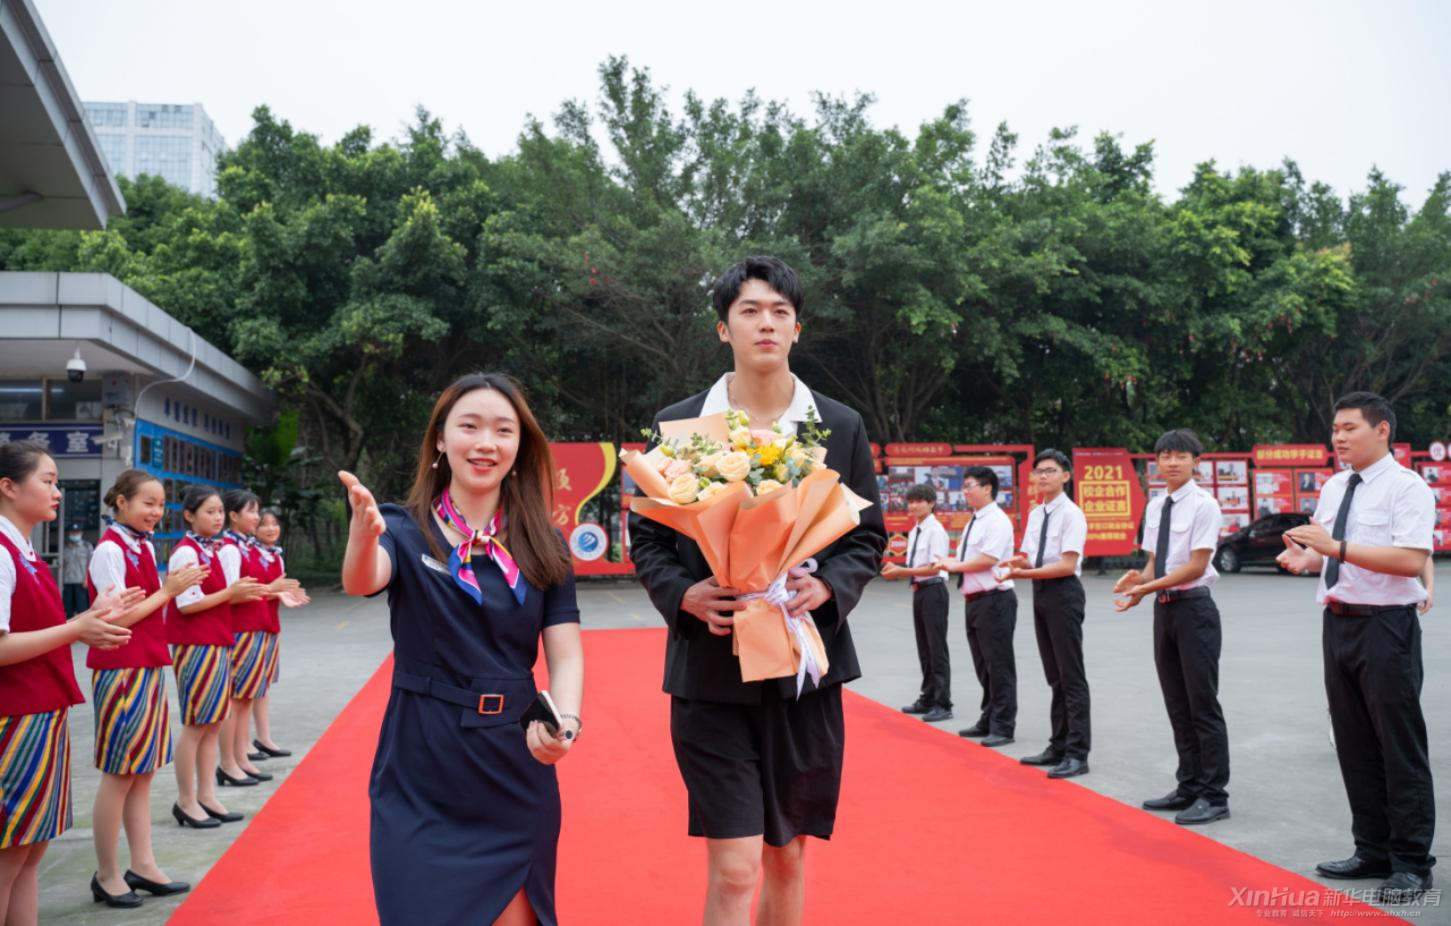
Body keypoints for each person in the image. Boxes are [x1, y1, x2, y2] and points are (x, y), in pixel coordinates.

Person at [629, 256, 886, 926]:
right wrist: (684, 594)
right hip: (710, 671)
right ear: (724, 328)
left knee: (788, 857)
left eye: (779, 311)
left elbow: (866, 538)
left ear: (797, 328)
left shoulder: (838, 426)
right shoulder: (682, 425)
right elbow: (648, 538)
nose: (765, 323)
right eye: (749, 311)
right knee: (736, 867)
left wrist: (826, 586)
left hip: (803, 672)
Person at [340, 372, 583, 926]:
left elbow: (566, 652)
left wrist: (566, 722)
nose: (485, 443)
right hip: (421, 762)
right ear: (441, 440)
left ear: (520, 447)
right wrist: (362, 534)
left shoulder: (546, 543)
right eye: (469, 427)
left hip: (513, 761)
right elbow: (363, 579)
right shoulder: (402, 530)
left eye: (503, 430)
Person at [1279, 392, 1437, 903]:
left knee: (1398, 745)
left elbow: (1410, 560)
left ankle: (1411, 863)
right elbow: (1329, 556)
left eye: (1350, 428)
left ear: (1382, 429)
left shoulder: (1407, 488)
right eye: (1335, 429)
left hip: (1386, 627)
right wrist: (1307, 560)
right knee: (1353, 744)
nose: (1339, 437)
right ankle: (1371, 849)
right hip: (1339, 623)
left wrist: (1335, 548)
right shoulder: (1334, 486)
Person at [0, 441, 135, 924]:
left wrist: (84, 619)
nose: (58, 492)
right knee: (10, 854)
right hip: (14, 718)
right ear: (8, 487)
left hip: (39, 712)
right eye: (48, 481)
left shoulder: (24, 551)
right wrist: (78, 628)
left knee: (29, 852)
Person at [86, 470, 209, 906]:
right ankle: (107, 873)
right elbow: (113, 618)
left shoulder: (139, 544)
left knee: (142, 772)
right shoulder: (109, 550)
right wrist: (169, 591)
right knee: (120, 773)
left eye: (160, 505)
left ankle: (143, 864)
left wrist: (166, 591)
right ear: (121, 502)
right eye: (147, 503)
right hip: (121, 668)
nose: (156, 512)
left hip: (146, 664)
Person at [1109, 433, 1231, 825]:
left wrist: (1148, 586)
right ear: (1157, 462)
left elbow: (1195, 566)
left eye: (1181, 455)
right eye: (1165, 455)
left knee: (1202, 702)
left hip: (1194, 610)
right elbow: (1154, 565)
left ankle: (1214, 795)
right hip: (1164, 610)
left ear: (1196, 461)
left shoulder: (1204, 505)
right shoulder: (1157, 505)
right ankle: (1189, 785)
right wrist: (1137, 583)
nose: (1173, 462)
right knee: (1177, 703)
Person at [166, 485, 265, 829]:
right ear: (189, 515)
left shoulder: (209, 549)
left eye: (220, 511)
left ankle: (206, 795)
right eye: (210, 512)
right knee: (197, 725)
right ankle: (186, 799)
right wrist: (229, 593)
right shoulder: (186, 552)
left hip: (214, 641)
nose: (218, 517)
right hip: (195, 645)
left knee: (212, 723)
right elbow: (186, 603)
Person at [999, 448, 1092, 778]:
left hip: (1064, 592)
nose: (1043, 476)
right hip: (1041, 592)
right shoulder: (1037, 514)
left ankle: (1078, 753)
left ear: (1066, 476)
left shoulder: (1072, 514)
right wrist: (1017, 563)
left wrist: (1024, 573)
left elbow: (1066, 564)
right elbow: (1030, 558)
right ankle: (1058, 745)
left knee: (1071, 675)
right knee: (1054, 675)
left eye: (1050, 471)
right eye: (1039, 471)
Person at [217, 490, 300, 787]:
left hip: (257, 627)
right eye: (252, 512)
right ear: (234, 516)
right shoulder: (231, 549)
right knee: (238, 699)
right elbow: (230, 594)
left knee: (246, 698)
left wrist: (277, 591)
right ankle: (232, 761)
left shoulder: (246, 547)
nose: (257, 518)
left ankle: (241, 757)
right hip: (242, 629)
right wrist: (271, 589)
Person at [936, 466, 1017, 750]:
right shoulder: (975, 520)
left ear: (987, 488)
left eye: (970, 485)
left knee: (999, 665)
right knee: (983, 664)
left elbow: (988, 559)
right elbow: (969, 559)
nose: (965, 491)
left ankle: (1003, 725)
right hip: (975, 600)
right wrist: (952, 562)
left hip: (995, 599)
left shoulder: (997, 520)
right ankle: (989, 716)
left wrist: (954, 566)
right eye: (965, 486)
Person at [881, 483, 952, 722]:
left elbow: (935, 567)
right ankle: (928, 697)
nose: (914, 506)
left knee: (937, 648)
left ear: (931, 503)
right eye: (911, 502)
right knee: (925, 648)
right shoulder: (915, 531)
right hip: (920, 591)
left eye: (919, 501)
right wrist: (904, 573)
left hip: (934, 590)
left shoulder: (935, 531)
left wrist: (902, 571)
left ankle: (943, 702)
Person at [248, 509, 308, 762]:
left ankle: (264, 738)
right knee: (247, 689)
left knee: (263, 686)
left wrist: (286, 594)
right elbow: (249, 590)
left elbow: (275, 589)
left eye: (274, 524)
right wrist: (277, 592)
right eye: (264, 524)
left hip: (270, 624)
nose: (271, 529)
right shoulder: (247, 553)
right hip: (249, 626)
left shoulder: (276, 556)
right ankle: (243, 746)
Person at [61, 527, 93, 617]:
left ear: (81, 533)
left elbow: (90, 564)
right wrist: (61, 581)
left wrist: (87, 579)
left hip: (81, 582)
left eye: (77, 533)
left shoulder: (87, 546)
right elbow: (62, 565)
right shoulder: (65, 547)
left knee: (82, 608)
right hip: (67, 582)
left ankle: (84, 625)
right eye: (73, 533)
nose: (75, 535)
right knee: (68, 609)